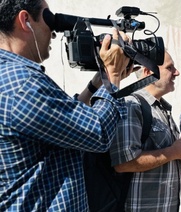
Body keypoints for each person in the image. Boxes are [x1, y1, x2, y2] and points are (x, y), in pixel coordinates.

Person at [0, 0, 132, 211]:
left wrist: (97, 83)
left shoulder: (9, 76)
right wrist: (114, 76)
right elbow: (98, 132)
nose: (53, 32)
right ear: (25, 20)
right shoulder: (22, 84)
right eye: (49, 19)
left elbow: (60, 122)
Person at [109, 51, 181, 211]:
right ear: (148, 72)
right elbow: (123, 163)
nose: (177, 72)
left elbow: (170, 153)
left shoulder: (162, 108)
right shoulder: (131, 105)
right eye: (170, 68)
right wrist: (174, 152)